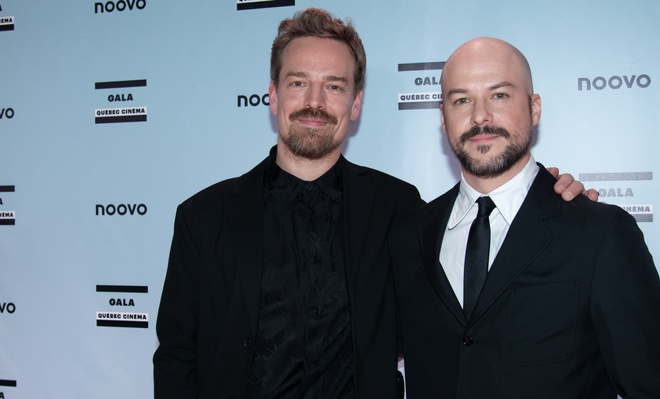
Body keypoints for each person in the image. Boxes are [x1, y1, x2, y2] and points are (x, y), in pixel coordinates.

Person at [153, 10, 588, 398]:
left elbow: (474, 304)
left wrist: (545, 202)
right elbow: (176, 356)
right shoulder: (204, 217)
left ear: (356, 103)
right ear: (273, 95)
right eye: (299, 83)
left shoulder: (402, 209)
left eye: (334, 86)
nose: (314, 103)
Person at [390, 37, 660, 398]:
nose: (480, 116)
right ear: (442, 117)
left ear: (534, 108)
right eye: (462, 100)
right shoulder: (408, 234)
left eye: (499, 95)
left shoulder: (601, 233)